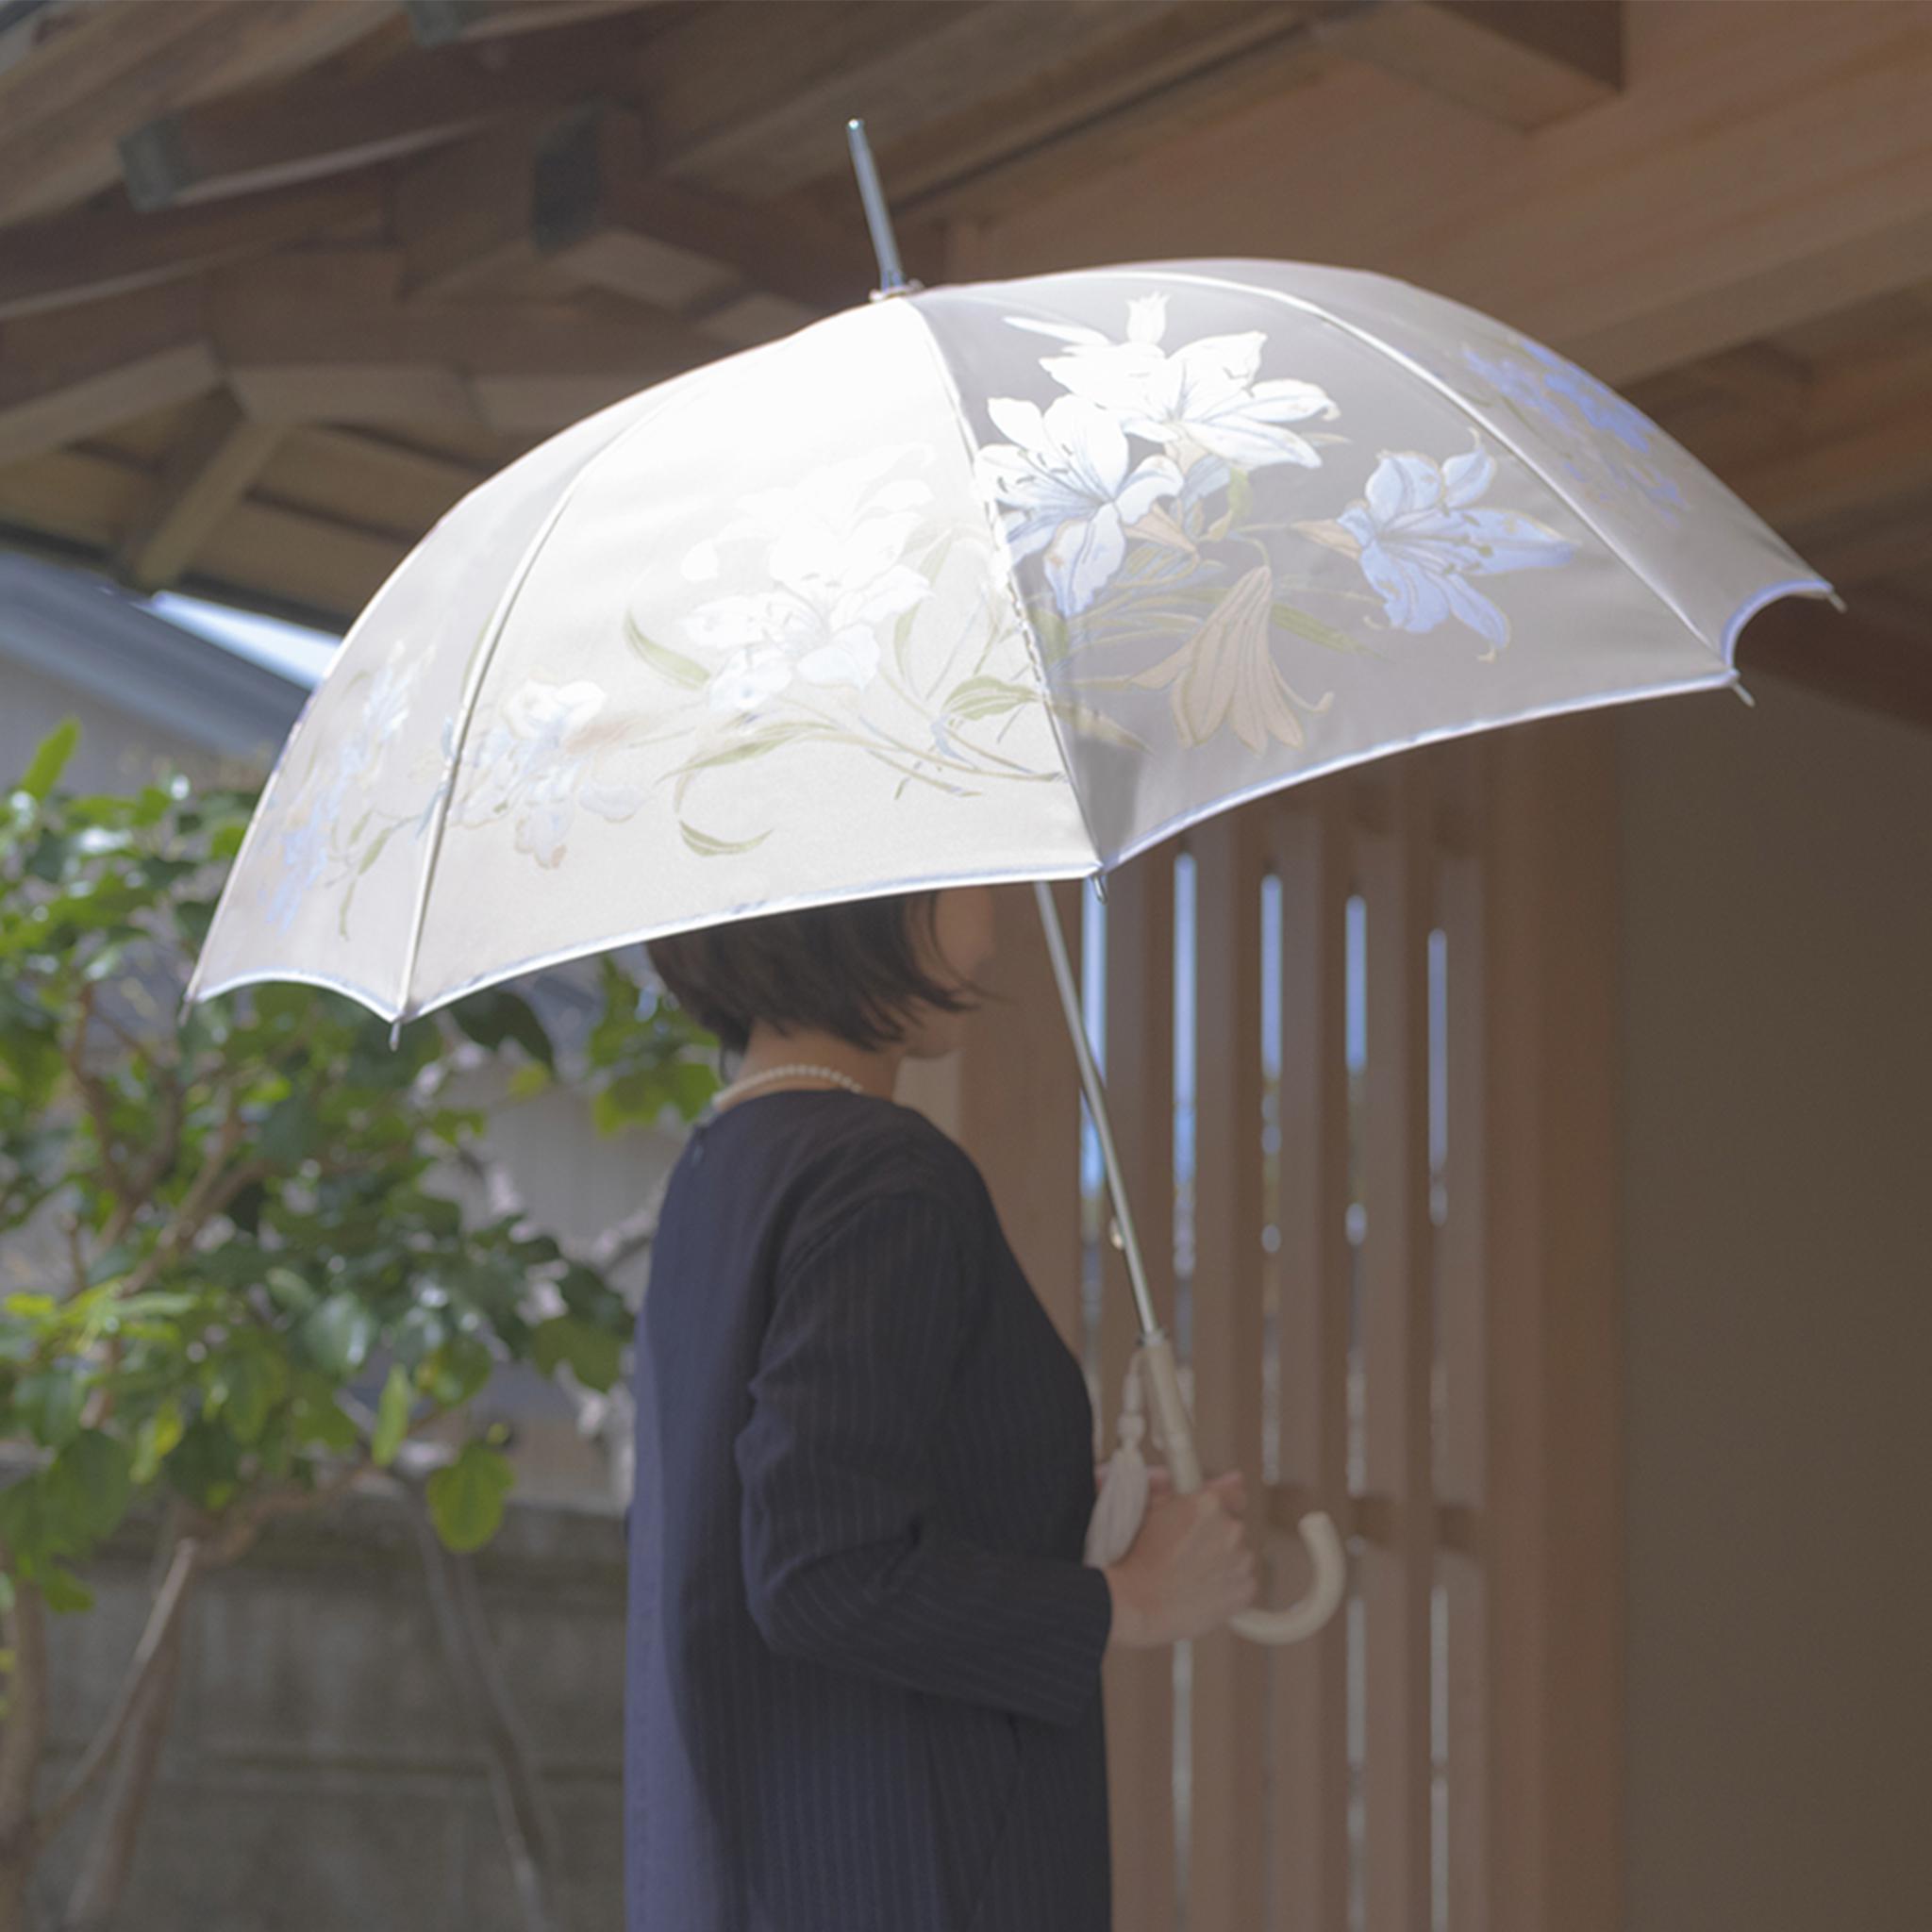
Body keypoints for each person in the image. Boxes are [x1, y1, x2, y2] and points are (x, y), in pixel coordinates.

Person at [625, 884, 1258, 1932]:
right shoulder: (883, 1175)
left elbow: (789, 1520)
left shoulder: (717, 1173)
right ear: (863, 902)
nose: (998, 922)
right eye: (976, 886)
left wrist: (1048, 1503)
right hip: (911, 1872)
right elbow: (819, 1570)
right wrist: (1135, 1599)